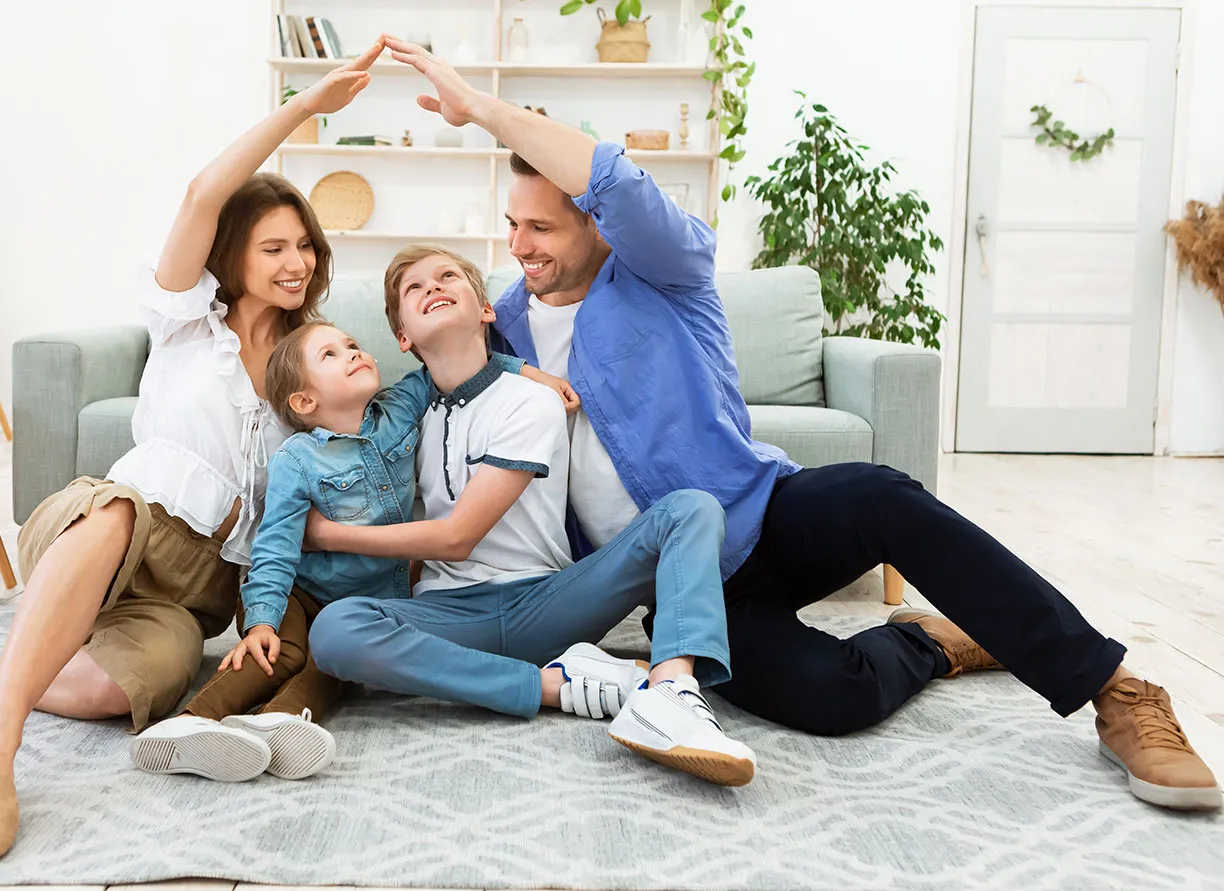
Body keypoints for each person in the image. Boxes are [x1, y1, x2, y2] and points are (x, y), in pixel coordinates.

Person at [379, 36, 1222, 811]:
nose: (520, 244)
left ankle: (1117, 690)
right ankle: (931, 644)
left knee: (888, 497)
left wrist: (482, 108)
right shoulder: (507, 319)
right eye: (513, 225)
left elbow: (616, 179)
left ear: (597, 225)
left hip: (762, 514)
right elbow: (435, 376)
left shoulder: (665, 269)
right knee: (830, 696)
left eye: (542, 226)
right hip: (679, 584)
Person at [0, 42, 390, 863]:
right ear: (232, 255)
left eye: (304, 246)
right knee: (118, 510)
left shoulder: (313, 366)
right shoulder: (186, 319)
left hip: (199, 586)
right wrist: (305, 107)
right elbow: (203, 192)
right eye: (274, 247)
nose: (297, 262)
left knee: (112, 693)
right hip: (115, 522)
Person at [304, 245, 757, 787]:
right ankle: (556, 686)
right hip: (450, 617)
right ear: (403, 338)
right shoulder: (406, 415)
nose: (433, 287)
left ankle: (670, 692)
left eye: (448, 276)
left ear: (486, 311)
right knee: (334, 630)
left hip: (544, 603)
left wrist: (330, 535)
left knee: (690, 510)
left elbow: (456, 538)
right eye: (414, 288)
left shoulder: (529, 401)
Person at [127, 320, 576, 782]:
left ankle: (277, 724)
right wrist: (262, 619)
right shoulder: (297, 459)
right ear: (304, 402)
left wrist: (533, 375)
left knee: (330, 662)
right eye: (331, 355)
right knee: (279, 652)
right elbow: (277, 545)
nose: (353, 353)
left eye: (353, 345)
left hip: (367, 604)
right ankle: (189, 726)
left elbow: (458, 368)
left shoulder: (399, 411)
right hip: (299, 593)